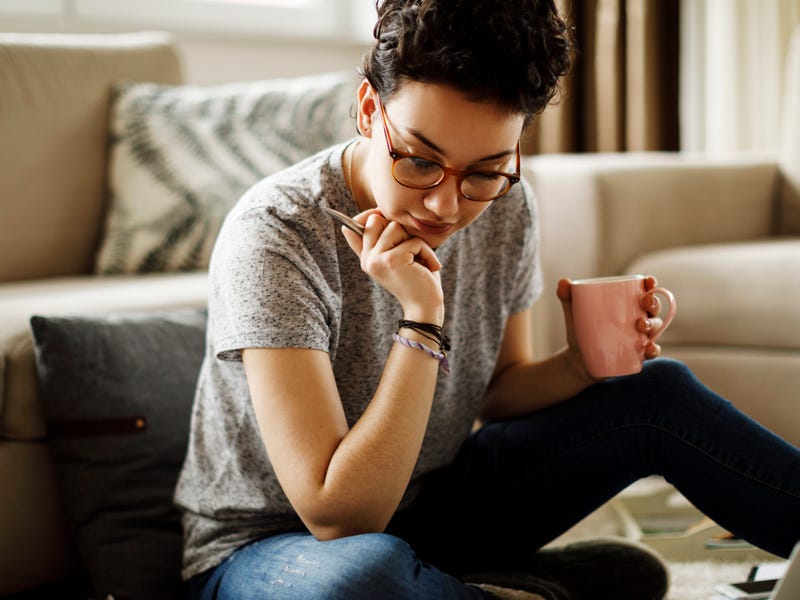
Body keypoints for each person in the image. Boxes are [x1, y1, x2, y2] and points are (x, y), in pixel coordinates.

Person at [174, 1, 800, 598]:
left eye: (485, 170)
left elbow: (499, 392)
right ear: (369, 109)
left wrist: (577, 365)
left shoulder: (507, 207)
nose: (447, 206)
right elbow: (339, 517)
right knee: (358, 580)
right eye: (419, 161)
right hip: (274, 549)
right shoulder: (277, 232)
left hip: (436, 505)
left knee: (656, 393)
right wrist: (421, 320)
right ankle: (531, 590)